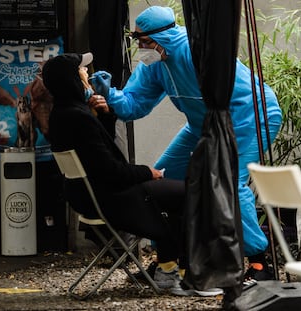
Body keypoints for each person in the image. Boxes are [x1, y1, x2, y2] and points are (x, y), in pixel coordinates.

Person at [90, 5, 283, 284]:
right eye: (138, 42)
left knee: (229, 184)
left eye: (145, 42)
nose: (141, 48)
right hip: (202, 123)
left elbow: (232, 94)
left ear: (163, 39)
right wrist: (108, 93)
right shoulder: (154, 64)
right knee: (162, 179)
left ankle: (259, 264)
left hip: (249, 116)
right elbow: (133, 107)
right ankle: (167, 263)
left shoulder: (197, 51)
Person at [42, 52, 222, 296]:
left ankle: (168, 270)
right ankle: (191, 277)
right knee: (192, 194)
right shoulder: (78, 118)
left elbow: (98, 158)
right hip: (112, 197)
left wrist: (105, 113)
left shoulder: (63, 114)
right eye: (81, 70)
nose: (86, 72)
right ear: (72, 79)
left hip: (89, 196)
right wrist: (148, 172)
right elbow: (111, 170)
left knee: (177, 196)